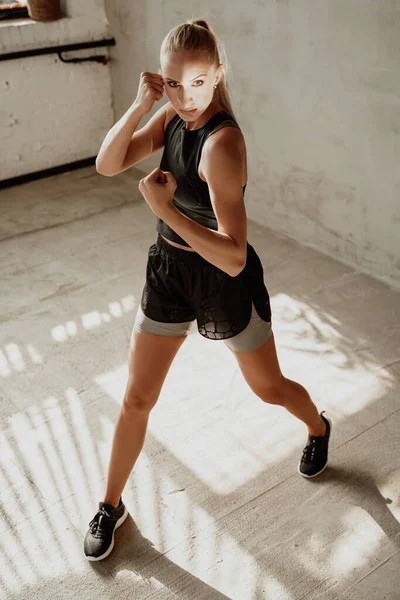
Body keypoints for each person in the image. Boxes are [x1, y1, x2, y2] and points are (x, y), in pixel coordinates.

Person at [84, 19, 332, 562]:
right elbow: (106, 164)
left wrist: (166, 209)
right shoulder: (172, 112)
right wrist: (138, 106)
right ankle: (110, 504)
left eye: (197, 83)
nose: (186, 96)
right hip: (169, 272)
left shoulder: (224, 143)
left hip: (223, 278)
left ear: (217, 76)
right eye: (173, 83)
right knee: (136, 398)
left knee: (268, 389)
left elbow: (234, 253)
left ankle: (317, 426)